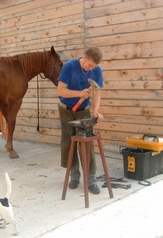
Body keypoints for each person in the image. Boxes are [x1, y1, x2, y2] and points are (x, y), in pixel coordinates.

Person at [57, 47, 104, 194]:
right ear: (83, 58)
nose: (91, 68)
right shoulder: (69, 66)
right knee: (68, 143)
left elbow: (97, 94)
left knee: (87, 144)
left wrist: (95, 110)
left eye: (93, 67)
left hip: (84, 110)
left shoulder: (97, 71)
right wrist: (79, 93)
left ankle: (91, 180)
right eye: (89, 65)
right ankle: (74, 177)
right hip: (66, 109)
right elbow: (60, 91)